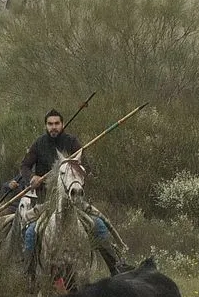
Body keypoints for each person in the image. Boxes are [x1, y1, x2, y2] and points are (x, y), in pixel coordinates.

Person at [10, 109, 129, 275]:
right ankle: (29, 274)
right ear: (46, 125)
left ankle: (116, 268)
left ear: (62, 124)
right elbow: (24, 166)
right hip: (47, 202)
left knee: (99, 225)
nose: (53, 127)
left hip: (74, 200)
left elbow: (85, 167)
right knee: (31, 233)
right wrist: (32, 178)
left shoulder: (72, 142)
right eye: (50, 124)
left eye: (57, 124)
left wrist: (79, 177)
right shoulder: (38, 144)